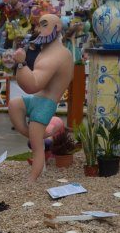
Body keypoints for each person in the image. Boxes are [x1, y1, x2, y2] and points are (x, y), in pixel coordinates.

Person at [7, 14, 74, 182]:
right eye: (39, 25)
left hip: (46, 104)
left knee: (37, 147)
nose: (39, 30)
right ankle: (49, 130)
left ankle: (31, 181)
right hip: (36, 99)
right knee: (15, 105)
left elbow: (33, 84)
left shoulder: (59, 55)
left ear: (57, 28)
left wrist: (21, 64)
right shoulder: (44, 51)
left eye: (44, 25)